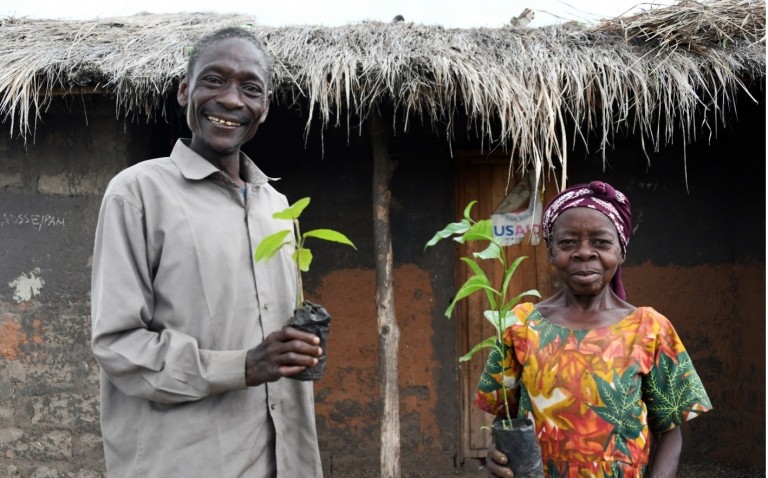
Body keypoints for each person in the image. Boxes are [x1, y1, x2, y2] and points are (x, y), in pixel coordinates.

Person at [90, 27, 324, 477]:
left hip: (282, 460)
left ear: (264, 107)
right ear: (185, 90)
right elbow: (118, 345)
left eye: (250, 88)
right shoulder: (138, 193)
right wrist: (242, 366)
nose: (231, 100)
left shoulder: (276, 207)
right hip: (186, 461)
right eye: (214, 80)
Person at [476, 181, 712, 477]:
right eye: (567, 243)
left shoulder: (649, 328)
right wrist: (498, 454)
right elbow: (505, 417)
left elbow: (669, 432)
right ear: (550, 253)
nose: (584, 253)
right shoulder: (521, 324)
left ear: (621, 251)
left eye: (601, 242)